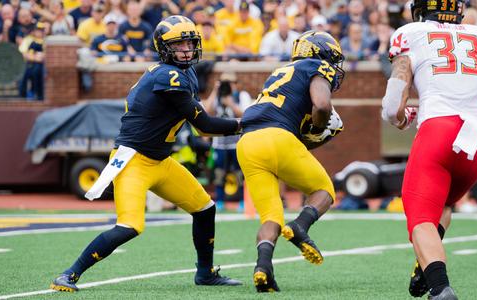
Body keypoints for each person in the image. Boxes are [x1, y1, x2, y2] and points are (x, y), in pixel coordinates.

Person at [50, 15, 242, 293]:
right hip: (133, 160)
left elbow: (201, 125)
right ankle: (68, 274)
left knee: (205, 208)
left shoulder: (184, 73)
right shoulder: (168, 76)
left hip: (160, 161)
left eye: (190, 42)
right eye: (179, 45)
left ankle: (205, 273)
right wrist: (244, 124)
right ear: (164, 48)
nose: (187, 49)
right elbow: (205, 125)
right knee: (130, 225)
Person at [381, 0, 477, 299]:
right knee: (442, 204)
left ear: (419, 9)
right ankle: (424, 268)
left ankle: (439, 287)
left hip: (439, 133)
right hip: (476, 142)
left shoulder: (412, 33)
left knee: (419, 217)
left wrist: (398, 118)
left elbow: (395, 99)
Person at [236, 30, 345, 292]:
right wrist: (319, 130)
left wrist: (310, 135)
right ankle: (300, 225)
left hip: (247, 144)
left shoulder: (280, 73)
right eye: (332, 59)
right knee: (324, 191)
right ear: (319, 53)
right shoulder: (315, 67)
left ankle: (263, 269)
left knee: (271, 216)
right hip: (277, 138)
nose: (334, 66)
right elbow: (321, 105)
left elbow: (292, 134)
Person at [202, 72, 251, 211]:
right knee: (219, 174)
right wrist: (215, 91)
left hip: (236, 143)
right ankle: (220, 201)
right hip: (219, 143)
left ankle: (242, 201)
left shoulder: (242, 96)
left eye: (231, 82)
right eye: (225, 83)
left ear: (236, 84)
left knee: (239, 173)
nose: (228, 86)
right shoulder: (217, 97)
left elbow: (245, 116)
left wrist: (230, 102)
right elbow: (207, 113)